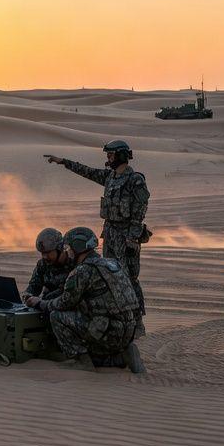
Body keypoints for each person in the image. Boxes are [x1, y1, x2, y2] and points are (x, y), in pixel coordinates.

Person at [44, 139, 149, 333]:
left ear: (121, 156)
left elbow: (140, 210)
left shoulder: (135, 180)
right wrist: (63, 162)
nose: (108, 159)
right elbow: (87, 171)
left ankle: (136, 320)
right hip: (110, 233)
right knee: (108, 274)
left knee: (128, 278)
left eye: (111, 155)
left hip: (126, 236)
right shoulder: (110, 177)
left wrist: (132, 238)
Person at [33, 227, 144, 373]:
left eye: (69, 248)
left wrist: (41, 303)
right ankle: (123, 354)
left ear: (77, 248)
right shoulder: (113, 264)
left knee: (56, 316)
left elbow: (64, 303)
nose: (68, 252)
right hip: (129, 330)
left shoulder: (82, 271)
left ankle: (82, 361)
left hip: (108, 331)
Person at [22, 227, 74, 305]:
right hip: (45, 305)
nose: (45, 257)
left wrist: (42, 302)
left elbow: (68, 296)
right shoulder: (43, 264)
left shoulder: (74, 265)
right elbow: (34, 285)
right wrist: (28, 295)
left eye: (48, 253)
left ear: (59, 249)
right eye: (42, 253)